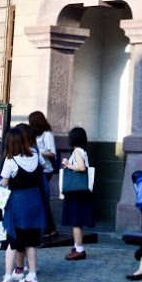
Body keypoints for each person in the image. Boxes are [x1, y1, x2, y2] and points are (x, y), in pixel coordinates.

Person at [0, 123, 45, 282]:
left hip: (17, 202)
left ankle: (8, 277)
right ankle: (32, 275)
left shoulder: (10, 161)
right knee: (31, 240)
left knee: (13, 240)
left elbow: (4, 183)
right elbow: (43, 167)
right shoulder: (34, 155)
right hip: (34, 200)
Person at [60, 127, 95, 260]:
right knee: (77, 220)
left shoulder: (76, 152)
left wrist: (68, 165)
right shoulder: (82, 151)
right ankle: (77, 245)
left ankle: (79, 249)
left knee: (76, 221)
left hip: (76, 192)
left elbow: (81, 167)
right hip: (81, 191)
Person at [28, 111, 60, 241]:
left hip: (46, 170)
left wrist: (37, 151)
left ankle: (48, 228)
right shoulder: (34, 135)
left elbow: (52, 153)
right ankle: (48, 228)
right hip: (37, 169)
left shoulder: (47, 134)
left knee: (42, 199)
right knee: (40, 199)